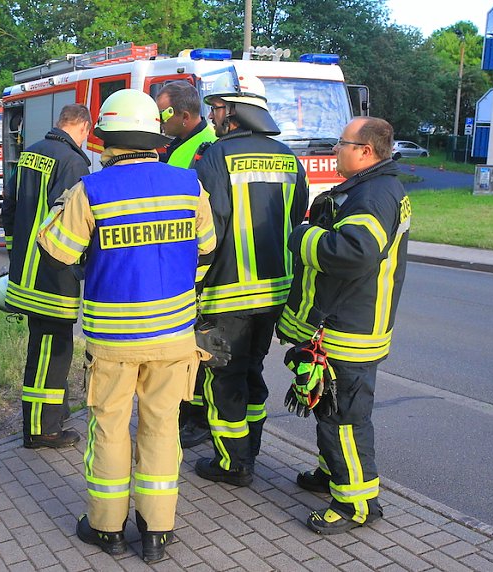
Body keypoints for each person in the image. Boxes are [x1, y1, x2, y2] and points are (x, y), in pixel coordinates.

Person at [37, 89, 216, 563]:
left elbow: (56, 250)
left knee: (110, 430)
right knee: (161, 429)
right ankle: (157, 531)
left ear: (107, 140)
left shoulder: (91, 190)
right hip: (174, 336)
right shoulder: (188, 183)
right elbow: (207, 246)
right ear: (155, 138)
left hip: (114, 339)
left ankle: (106, 529)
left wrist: (59, 209)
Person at [277, 116, 411, 534]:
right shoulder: (373, 187)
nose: (335, 150)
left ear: (365, 151)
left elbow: (354, 253)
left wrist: (302, 236)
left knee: (345, 420)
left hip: (352, 329)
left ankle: (356, 504)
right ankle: (331, 473)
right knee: (329, 408)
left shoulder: (373, 195)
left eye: (341, 143)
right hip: (349, 321)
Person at [193, 71, 309, 486]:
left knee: (223, 378)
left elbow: (207, 231)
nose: (212, 116)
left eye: (217, 108)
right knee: (252, 372)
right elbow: (296, 220)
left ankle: (232, 464)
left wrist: (193, 286)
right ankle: (250, 450)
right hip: (276, 294)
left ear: (236, 112)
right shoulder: (288, 158)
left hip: (228, 295)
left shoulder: (215, 157)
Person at [1, 104, 92, 450]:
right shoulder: (73, 162)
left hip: (25, 274)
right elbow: (71, 222)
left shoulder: (30, 154)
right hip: (53, 275)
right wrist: (83, 266)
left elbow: (9, 207)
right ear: (83, 127)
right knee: (52, 355)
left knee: (43, 348)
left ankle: (53, 414)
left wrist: (15, 253)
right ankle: (42, 430)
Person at [155, 81, 218, 449]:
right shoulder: (178, 144)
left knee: (194, 345)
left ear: (183, 114)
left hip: (193, 267)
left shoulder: (204, 149)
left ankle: (197, 418)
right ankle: (184, 411)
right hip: (174, 264)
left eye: (161, 113)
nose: (158, 120)